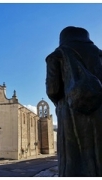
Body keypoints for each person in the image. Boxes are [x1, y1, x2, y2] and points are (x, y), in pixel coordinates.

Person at [46, 26, 102, 176]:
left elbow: (53, 90)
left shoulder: (56, 55)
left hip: (69, 115)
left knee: (73, 160)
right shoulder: (100, 54)